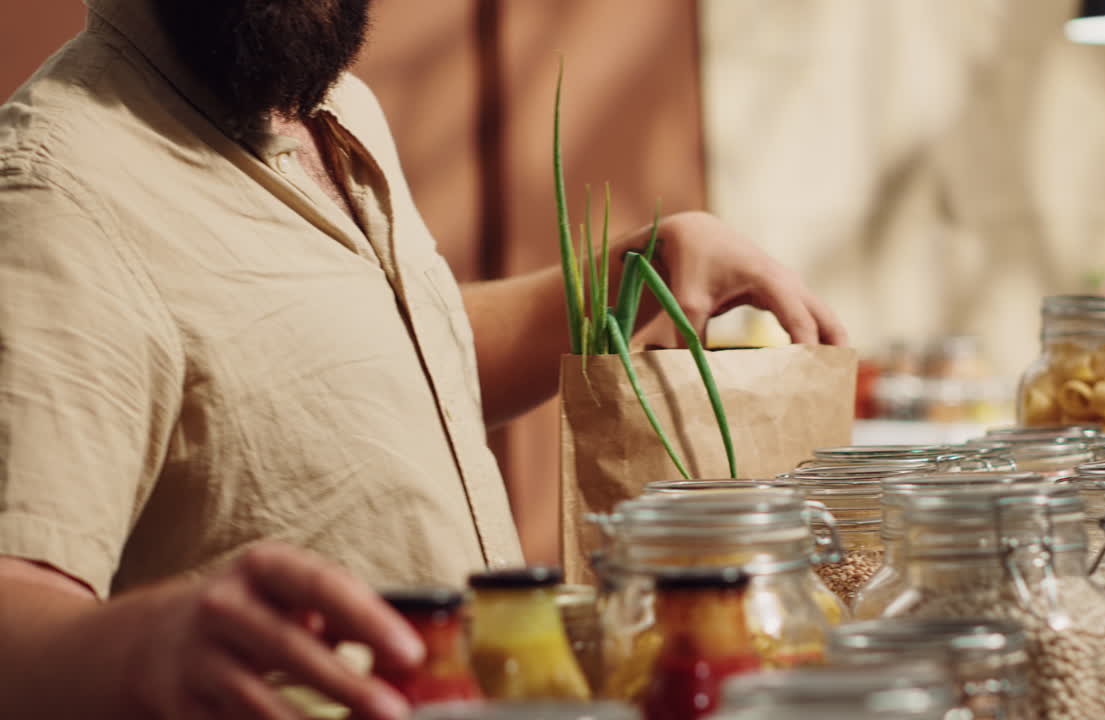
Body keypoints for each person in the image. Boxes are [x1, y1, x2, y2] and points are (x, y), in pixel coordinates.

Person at [0, 0, 845, 717]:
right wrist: (141, 643)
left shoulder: (335, 108)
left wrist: (632, 272)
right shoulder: (59, 200)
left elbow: (358, 366)